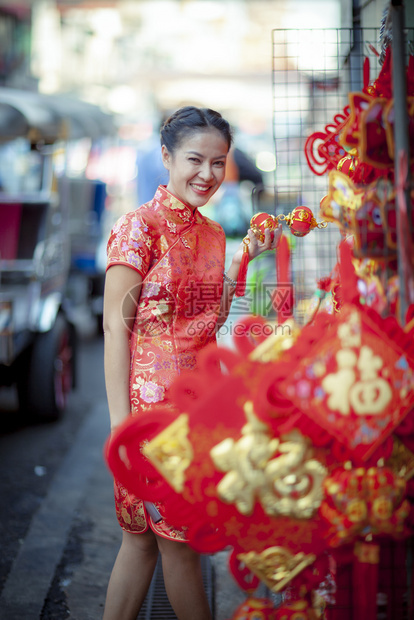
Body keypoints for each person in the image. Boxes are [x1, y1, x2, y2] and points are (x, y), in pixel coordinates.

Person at [102, 106, 280, 620]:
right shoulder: (139, 227)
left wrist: (245, 255)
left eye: (218, 162)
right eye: (195, 160)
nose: (207, 174)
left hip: (197, 411)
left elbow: (211, 317)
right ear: (166, 157)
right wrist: (120, 426)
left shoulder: (209, 233)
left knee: (144, 544)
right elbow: (118, 328)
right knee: (171, 545)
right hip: (148, 418)